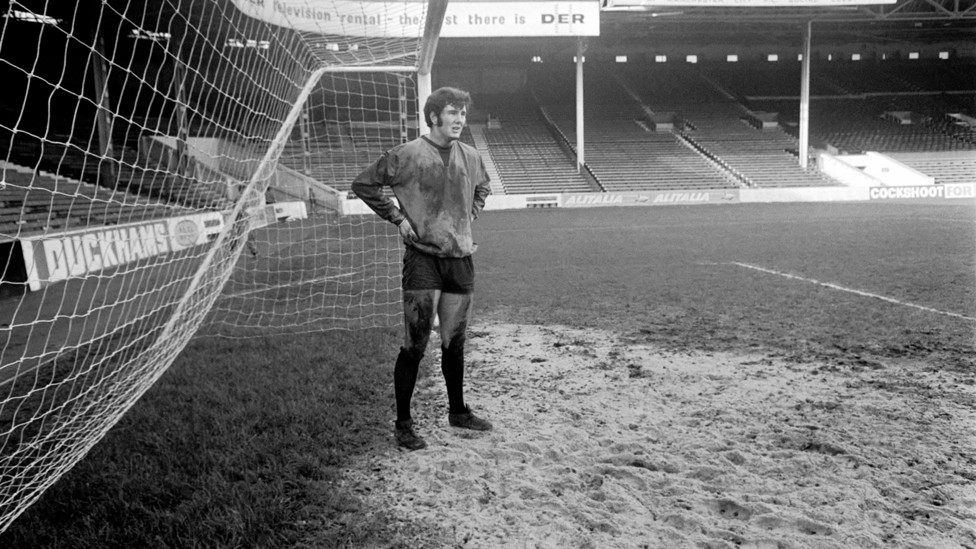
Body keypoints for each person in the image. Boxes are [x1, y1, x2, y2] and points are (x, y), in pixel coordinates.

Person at [351, 86, 493, 451]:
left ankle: (458, 412)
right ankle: (403, 424)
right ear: (433, 116)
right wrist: (396, 216)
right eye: (452, 112)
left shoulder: (472, 156)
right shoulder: (406, 155)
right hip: (422, 260)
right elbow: (364, 184)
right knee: (415, 346)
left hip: (460, 259)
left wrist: (468, 216)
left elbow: (483, 189)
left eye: (463, 112)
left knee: (454, 344)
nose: (460, 119)